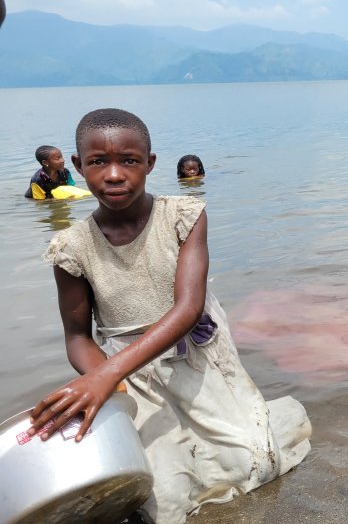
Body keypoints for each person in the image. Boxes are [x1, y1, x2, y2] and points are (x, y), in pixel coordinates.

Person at [28, 108, 311, 524]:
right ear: (77, 167)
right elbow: (77, 337)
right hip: (129, 374)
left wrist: (105, 375)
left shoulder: (182, 216)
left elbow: (188, 308)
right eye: (97, 162)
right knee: (159, 495)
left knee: (255, 461)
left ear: (150, 164)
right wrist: (106, 380)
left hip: (197, 358)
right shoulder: (71, 247)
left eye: (128, 160)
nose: (113, 175)